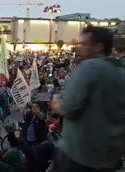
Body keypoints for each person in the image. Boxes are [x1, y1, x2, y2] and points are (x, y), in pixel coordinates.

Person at [51, 25, 125, 172]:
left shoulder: (89, 67)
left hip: (77, 156)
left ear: (98, 46)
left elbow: (69, 108)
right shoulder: (121, 73)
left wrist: (56, 103)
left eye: (84, 44)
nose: (80, 48)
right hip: (108, 159)